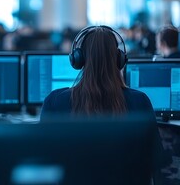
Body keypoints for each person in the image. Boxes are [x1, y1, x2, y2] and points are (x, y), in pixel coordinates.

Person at [40, 25, 168, 182]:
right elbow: (156, 162)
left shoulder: (55, 101)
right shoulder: (139, 101)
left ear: (78, 59)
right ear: (119, 59)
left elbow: (43, 162)